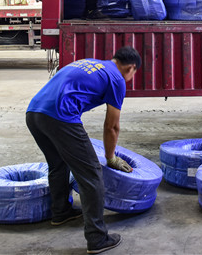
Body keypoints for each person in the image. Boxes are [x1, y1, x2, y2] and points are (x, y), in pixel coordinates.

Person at [25, 46, 141, 254]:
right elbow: (111, 126)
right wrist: (110, 157)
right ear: (131, 68)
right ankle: (97, 238)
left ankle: (61, 212)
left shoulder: (91, 63)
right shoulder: (117, 79)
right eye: (134, 74)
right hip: (60, 117)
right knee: (92, 175)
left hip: (34, 113)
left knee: (58, 163)